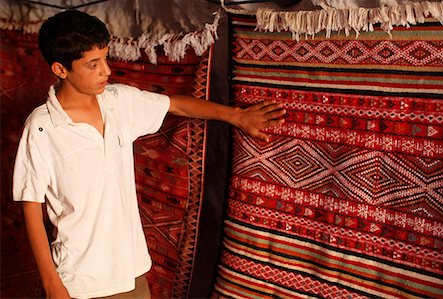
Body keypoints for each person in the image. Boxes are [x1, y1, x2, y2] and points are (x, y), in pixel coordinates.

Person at [12, 9, 285, 299]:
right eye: (93, 64)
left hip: (132, 275)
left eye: (105, 58)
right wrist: (53, 286)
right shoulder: (42, 128)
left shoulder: (118, 102)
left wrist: (236, 116)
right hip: (78, 283)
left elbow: (175, 105)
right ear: (60, 70)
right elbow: (31, 206)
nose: (106, 70)